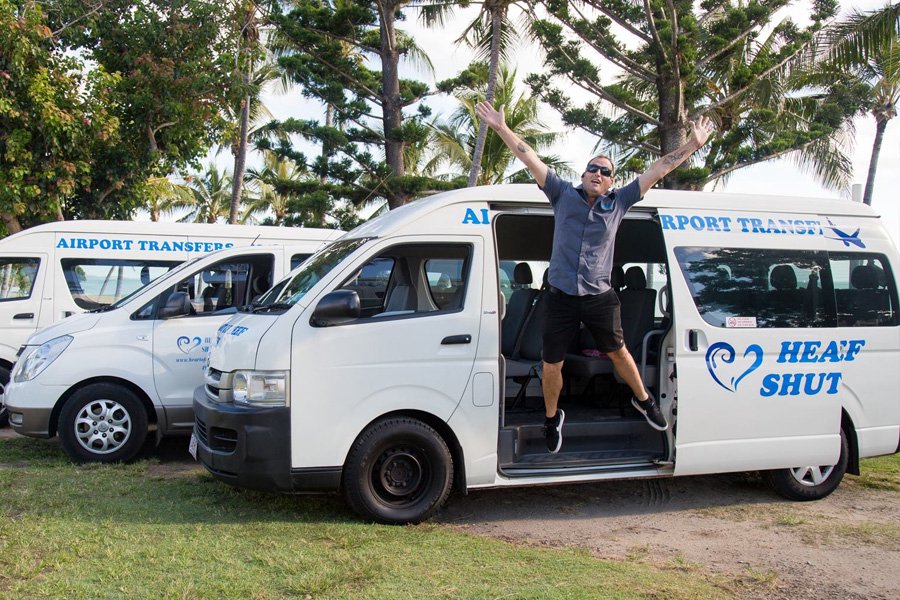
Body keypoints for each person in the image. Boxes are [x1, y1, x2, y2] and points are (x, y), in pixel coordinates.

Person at [475, 100, 713, 453]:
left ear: (611, 181)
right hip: (559, 297)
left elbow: (658, 170)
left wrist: (692, 146)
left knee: (618, 352)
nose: (597, 174)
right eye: (592, 169)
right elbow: (528, 157)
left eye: (604, 171)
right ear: (583, 174)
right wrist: (500, 128)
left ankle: (644, 400)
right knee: (550, 362)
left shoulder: (620, 202)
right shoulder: (560, 194)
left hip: (599, 297)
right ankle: (552, 418)